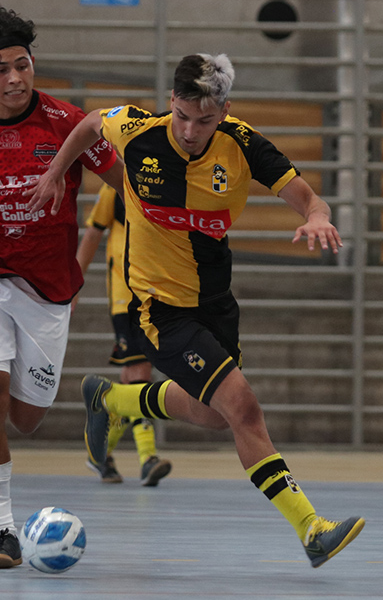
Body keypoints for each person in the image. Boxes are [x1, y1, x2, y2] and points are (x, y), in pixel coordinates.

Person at [28, 53, 364, 568]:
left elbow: (308, 198)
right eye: (182, 115)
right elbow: (89, 122)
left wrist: (317, 218)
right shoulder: (138, 131)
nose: (189, 130)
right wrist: (56, 171)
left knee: (213, 415)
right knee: (244, 408)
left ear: (224, 111)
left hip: (215, 302)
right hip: (161, 307)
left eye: (204, 120)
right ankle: (311, 527)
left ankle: (114, 400)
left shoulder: (244, 145)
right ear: (171, 104)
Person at [0, 9, 123, 569]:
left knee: (27, 417)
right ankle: (1, 533)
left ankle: (100, 399)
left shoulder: (69, 123)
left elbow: (130, 184)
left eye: (22, 65)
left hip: (48, 290)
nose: (14, 78)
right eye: (0, 69)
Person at [75, 183, 174, 486]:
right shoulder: (114, 186)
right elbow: (93, 232)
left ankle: (100, 454)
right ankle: (147, 458)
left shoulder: (165, 181)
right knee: (140, 370)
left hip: (155, 292)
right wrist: (73, 284)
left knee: (131, 380)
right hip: (125, 295)